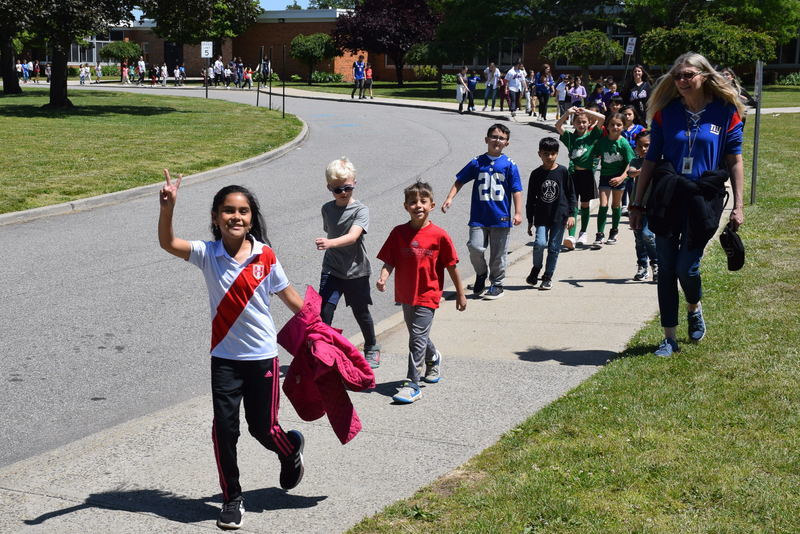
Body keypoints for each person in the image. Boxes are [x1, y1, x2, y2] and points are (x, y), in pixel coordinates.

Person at [158, 171, 306, 530]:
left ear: (251, 217)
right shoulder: (207, 254)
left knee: (263, 429)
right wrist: (168, 208)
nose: (235, 217)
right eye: (228, 210)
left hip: (263, 358)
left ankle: (290, 451)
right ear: (215, 216)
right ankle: (232, 498)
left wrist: (319, 334)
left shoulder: (265, 256)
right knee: (224, 430)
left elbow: (289, 298)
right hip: (224, 360)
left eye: (242, 211)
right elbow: (168, 243)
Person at [629, 52, 745, 357]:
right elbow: (651, 159)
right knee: (666, 266)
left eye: (688, 75)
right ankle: (669, 337)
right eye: (677, 76)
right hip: (668, 194)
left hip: (704, 197)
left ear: (704, 76)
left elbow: (734, 159)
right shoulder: (666, 113)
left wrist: (739, 204)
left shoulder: (726, 112)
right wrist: (637, 203)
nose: (681, 81)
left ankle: (694, 306)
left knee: (686, 266)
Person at [376, 181, 467, 403]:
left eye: (423, 202)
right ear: (405, 206)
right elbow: (389, 260)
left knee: (416, 338)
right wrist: (383, 277)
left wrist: (460, 293)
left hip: (428, 293)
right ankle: (433, 358)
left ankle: (412, 384)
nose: (418, 205)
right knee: (418, 336)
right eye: (412, 202)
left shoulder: (439, 235)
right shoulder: (398, 233)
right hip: (406, 295)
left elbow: (451, 265)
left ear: (432, 205)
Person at [441, 123, 523, 300]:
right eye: (494, 137)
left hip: (501, 217)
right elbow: (460, 180)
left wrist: (517, 212)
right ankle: (481, 273)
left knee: (498, 254)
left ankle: (497, 283)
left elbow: (516, 189)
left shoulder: (509, 165)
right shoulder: (477, 162)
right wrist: (450, 198)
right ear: (486, 139)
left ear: (506, 143)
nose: (497, 140)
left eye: (501, 138)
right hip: (479, 217)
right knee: (475, 247)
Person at [314, 158, 381, 369]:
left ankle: (371, 347)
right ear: (329, 188)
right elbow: (330, 228)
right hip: (332, 269)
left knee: (361, 312)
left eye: (348, 187)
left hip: (356, 271)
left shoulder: (361, 210)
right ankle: (324, 352)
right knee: (324, 311)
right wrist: (331, 244)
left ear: (355, 184)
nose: (343, 192)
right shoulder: (327, 209)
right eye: (338, 189)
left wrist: (330, 243)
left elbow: (353, 236)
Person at [525, 137, 576, 290]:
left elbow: (571, 194)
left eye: (553, 154)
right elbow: (530, 198)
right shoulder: (536, 174)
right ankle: (536, 268)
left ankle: (547, 276)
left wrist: (572, 213)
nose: (550, 157)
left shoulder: (563, 171)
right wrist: (530, 219)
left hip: (559, 216)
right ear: (539, 154)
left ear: (557, 154)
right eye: (546, 153)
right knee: (540, 243)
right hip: (541, 216)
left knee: (554, 247)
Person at [554, 106, 606, 248]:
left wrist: (586, 112)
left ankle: (583, 232)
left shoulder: (591, 136)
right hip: (573, 175)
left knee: (584, 204)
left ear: (589, 123)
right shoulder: (570, 138)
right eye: (578, 122)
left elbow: (602, 118)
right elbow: (558, 126)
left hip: (587, 174)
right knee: (572, 205)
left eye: (584, 122)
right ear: (574, 123)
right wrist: (567, 113)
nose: (581, 124)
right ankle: (571, 235)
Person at [590, 112, 635, 248]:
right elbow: (594, 155)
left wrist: (622, 177)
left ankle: (614, 232)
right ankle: (599, 234)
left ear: (623, 126)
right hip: (605, 176)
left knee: (615, 206)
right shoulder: (602, 142)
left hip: (619, 177)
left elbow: (631, 162)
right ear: (607, 126)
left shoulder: (623, 143)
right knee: (603, 205)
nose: (615, 127)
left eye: (619, 125)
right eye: (612, 124)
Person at [626, 130, 658, 282]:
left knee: (648, 235)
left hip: (652, 206)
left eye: (647, 146)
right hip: (636, 205)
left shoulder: (659, 161)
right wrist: (642, 170)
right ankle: (642, 266)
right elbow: (631, 173)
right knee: (639, 238)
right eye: (640, 146)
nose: (644, 149)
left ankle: (656, 264)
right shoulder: (635, 162)